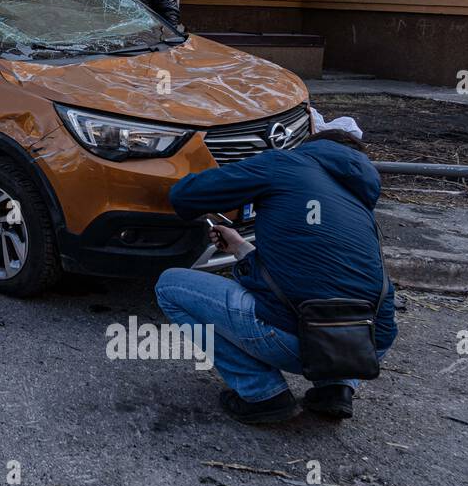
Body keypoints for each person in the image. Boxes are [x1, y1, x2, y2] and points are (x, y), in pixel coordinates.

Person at [154, 129, 397, 424]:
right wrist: (241, 247)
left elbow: (187, 194)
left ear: (310, 148)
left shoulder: (283, 163)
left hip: (299, 340)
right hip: (366, 347)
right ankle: (336, 389)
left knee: (170, 285)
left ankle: (263, 395)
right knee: (332, 293)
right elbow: (303, 273)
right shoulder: (358, 200)